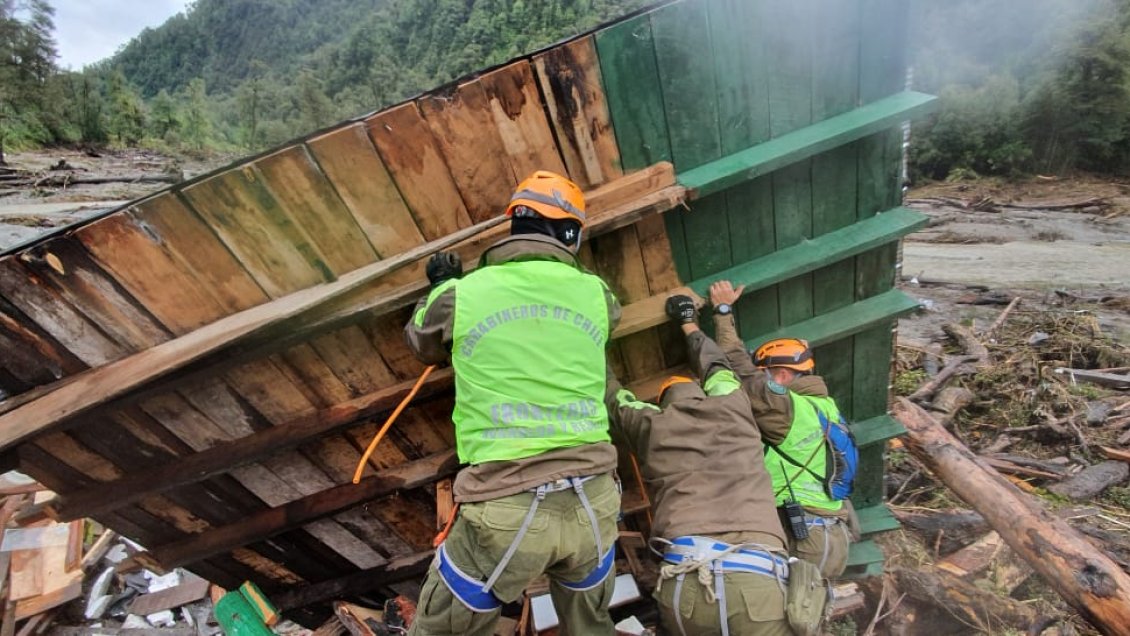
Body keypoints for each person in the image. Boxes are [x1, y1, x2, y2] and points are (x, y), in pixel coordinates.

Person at [404, 171, 622, 636]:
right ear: (571, 234)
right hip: (595, 504)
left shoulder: (462, 294)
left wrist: (442, 282)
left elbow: (422, 339)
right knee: (592, 627)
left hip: (504, 509)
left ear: (515, 222)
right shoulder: (599, 295)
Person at [606, 294, 793, 636]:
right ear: (701, 391)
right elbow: (716, 365)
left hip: (687, 581)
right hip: (759, 573)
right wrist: (688, 322)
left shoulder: (652, 425)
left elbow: (613, 396)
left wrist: (591, 340)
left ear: (662, 402)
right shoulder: (734, 404)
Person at [707, 280, 856, 579]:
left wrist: (723, 311)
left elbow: (738, 366)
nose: (762, 381)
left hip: (804, 537)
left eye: (766, 374)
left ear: (784, 375)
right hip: (834, 536)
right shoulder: (825, 407)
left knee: (785, 608)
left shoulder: (787, 408)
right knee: (810, 605)